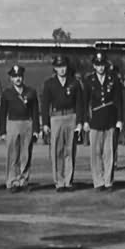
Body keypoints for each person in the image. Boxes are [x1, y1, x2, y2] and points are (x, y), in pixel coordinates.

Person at [41, 54, 83, 191]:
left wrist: (79, 122)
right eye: (59, 67)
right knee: (56, 151)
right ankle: (59, 182)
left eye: (64, 66)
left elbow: (79, 104)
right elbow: (45, 104)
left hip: (71, 116)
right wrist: (45, 123)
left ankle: (68, 180)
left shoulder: (74, 83)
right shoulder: (49, 84)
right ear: (55, 68)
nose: (62, 70)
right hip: (56, 118)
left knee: (70, 150)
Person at [82, 51, 123, 190]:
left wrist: (119, 119)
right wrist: (85, 121)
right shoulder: (89, 81)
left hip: (110, 119)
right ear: (94, 65)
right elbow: (85, 102)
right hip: (95, 120)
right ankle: (98, 181)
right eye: (98, 65)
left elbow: (118, 100)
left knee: (109, 153)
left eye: (102, 64)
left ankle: (108, 181)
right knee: (96, 153)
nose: (100, 67)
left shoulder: (113, 79)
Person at [0, 64, 41, 190]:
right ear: (11, 79)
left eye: (19, 76)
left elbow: (35, 112)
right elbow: (2, 113)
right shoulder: (7, 93)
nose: (17, 79)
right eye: (15, 76)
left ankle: (23, 180)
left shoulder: (31, 92)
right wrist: (2, 131)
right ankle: (12, 181)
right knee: (12, 155)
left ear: (23, 77)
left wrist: (36, 130)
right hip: (12, 123)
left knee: (26, 154)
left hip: (26, 123)